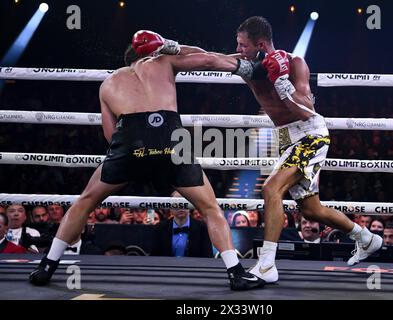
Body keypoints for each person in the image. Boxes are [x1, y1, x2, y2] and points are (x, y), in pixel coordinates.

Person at [29, 30, 264, 290]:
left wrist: (133, 159)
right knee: (210, 208)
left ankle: (47, 266)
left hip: (131, 144)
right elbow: (206, 59)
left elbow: (110, 136)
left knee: (84, 202)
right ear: (154, 51)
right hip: (170, 140)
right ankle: (235, 273)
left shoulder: (108, 83)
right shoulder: (163, 61)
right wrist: (246, 66)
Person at [233, 16, 382, 283]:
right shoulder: (245, 64)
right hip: (286, 140)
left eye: (243, 45)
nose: (239, 50)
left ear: (260, 44)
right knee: (311, 209)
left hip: (309, 135)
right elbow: (209, 58)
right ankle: (366, 238)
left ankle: (266, 265)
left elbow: (306, 110)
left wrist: (281, 81)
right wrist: (171, 48)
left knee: (270, 189)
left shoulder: (294, 63)